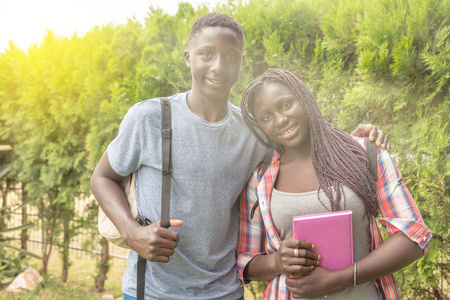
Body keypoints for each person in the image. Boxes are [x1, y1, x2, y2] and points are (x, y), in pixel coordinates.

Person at [90, 13, 389, 300]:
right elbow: (103, 177)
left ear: (242, 63)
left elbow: (303, 150)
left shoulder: (254, 133)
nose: (218, 66)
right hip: (152, 291)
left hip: (225, 292)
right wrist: (133, 234)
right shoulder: (150, 118)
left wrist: (354, 141)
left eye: (230, 57)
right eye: (206, 54)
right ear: (188, 58)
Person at [237, 68, 432, 300]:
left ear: (305, 99)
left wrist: (337, 280)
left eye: (286, 105)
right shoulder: (260, 180)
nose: (280, 120)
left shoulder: (363, 154)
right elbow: (245, 261)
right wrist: (277, 261)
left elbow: (413, 236)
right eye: (266, 117)